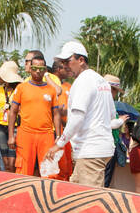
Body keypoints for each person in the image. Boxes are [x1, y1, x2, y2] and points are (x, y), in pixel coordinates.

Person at [46, 41, 115, 187]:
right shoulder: (101, 81)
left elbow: (77, 118)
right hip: (97, 149)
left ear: (81, 60)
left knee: (90, 202)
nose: (65, 66)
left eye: (68, 61)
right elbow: (111, 116)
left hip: (90, 151)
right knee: (77, 194)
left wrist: (59, 144)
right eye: (62, 62)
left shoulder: (83, 81)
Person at [8, 54, 61, 176]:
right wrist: (11, 135)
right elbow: (13, 112)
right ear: (30, 68)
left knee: (49, 170)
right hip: (25, 133)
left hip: (46, 134)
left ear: (45, 70)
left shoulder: (51, 90)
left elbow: (56, 114)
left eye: (41, 68)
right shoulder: (21, 88)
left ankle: (47, 194)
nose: (38, 71)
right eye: (35, 68)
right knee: (23, 170)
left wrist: (58, 136)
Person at [0, 60, 22, 173]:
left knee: (12, 160)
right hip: (0, 126)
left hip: (15, 126)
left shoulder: (19, 89)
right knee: (5, 160)